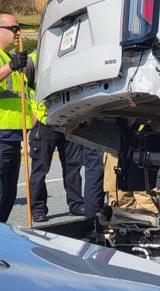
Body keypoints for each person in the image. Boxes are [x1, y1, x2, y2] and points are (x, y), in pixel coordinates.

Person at [27, 53, 104, 222]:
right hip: (44, 121)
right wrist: (34, 120)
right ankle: (38, 208)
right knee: (40, 169)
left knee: (72, 166)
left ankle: (76, 204)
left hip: (68, 120)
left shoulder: (70, 55)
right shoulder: (34, 59)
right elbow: (27, 92)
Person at [0, 11, 35, 223]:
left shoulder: (7, 57)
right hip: (0, 134)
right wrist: (10, 67)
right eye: (13, 28)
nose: (18, 32)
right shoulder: (6, 61)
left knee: (8, 192)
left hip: (13, 135)